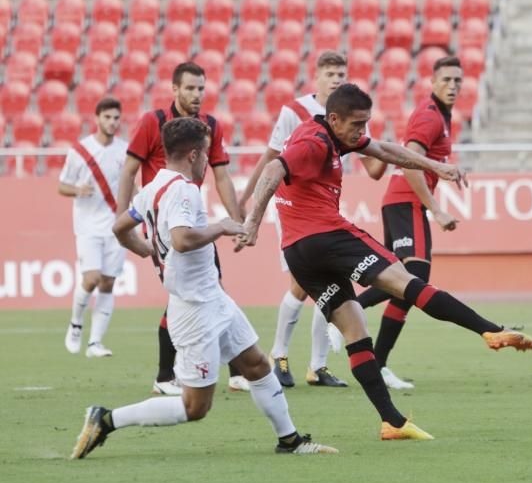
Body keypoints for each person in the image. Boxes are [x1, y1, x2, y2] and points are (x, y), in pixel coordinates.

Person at [236, 84, 532, 441]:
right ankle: (490, 330)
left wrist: (433, 165)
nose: (362, 133)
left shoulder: (332, 134)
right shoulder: (315, 141)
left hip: (299, 252)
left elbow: (386, 150)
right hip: (328, 236)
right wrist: (252, 223)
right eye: (357, 125)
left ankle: (392, 423)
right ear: (334, 119)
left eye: (365, 123)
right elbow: (273, 168)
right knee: (409, 282)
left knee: (355, 330)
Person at [71, 118, 336, 459]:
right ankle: (106, 419)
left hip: (213, 299)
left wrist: (144, 249)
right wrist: (222, 226)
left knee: (256, 364)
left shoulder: (153, 186)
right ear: (195, 154)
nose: (208, 163)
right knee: (196, 407)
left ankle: (290, 440)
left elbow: (121, 226)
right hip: (194, 309)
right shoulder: (183, 189)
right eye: (206, 156)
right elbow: (182, 240)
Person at [240, 51, 385, 389]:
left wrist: (392, 154)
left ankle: (318, 366)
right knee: (303, 285)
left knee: (325, 287)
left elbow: (374, 169)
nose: (336, 78)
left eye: (341, 73)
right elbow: (273, 157)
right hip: (294, 209)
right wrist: (246, 199)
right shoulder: (295, 112)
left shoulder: (351, 114)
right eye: (330, 73)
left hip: (327, 209)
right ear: (317, 76)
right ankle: (279, 354)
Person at [116, 61, 248, 396]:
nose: (196, 94)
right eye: (189, 88)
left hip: (192, 217)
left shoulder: (210, 126)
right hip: (164, 222)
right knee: (200, 291)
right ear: (174, 89)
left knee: (201, 291)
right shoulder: (154, 122)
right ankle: (184, 374)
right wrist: (131, 226)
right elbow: (129, 170)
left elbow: (221, 175)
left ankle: (176, 375)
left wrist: (237, 223)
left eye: (201, 88)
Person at [353, 55, 464, 390]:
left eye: (458, 81)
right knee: (414, 279)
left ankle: (380, 364)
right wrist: (437, 209)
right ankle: (346, 310)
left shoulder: (441, 118)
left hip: (402, 202)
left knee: (403, 282)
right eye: (446, 80)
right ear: (432, 83)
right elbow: (411, 162)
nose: (453, 86)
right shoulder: (430, 117)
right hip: (406, 201)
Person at [58, 97, 128, 358]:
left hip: (116, 225)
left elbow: (130, 182)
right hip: (88, 225)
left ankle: (95, 343)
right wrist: (78, 189)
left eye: (116, 118)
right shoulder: (80, 151)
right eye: (107, 117)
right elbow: (61, 185)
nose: (112, 122)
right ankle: (76, 324)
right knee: (91, 278)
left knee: (108, 282)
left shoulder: (125, 150)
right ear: (97, 118)